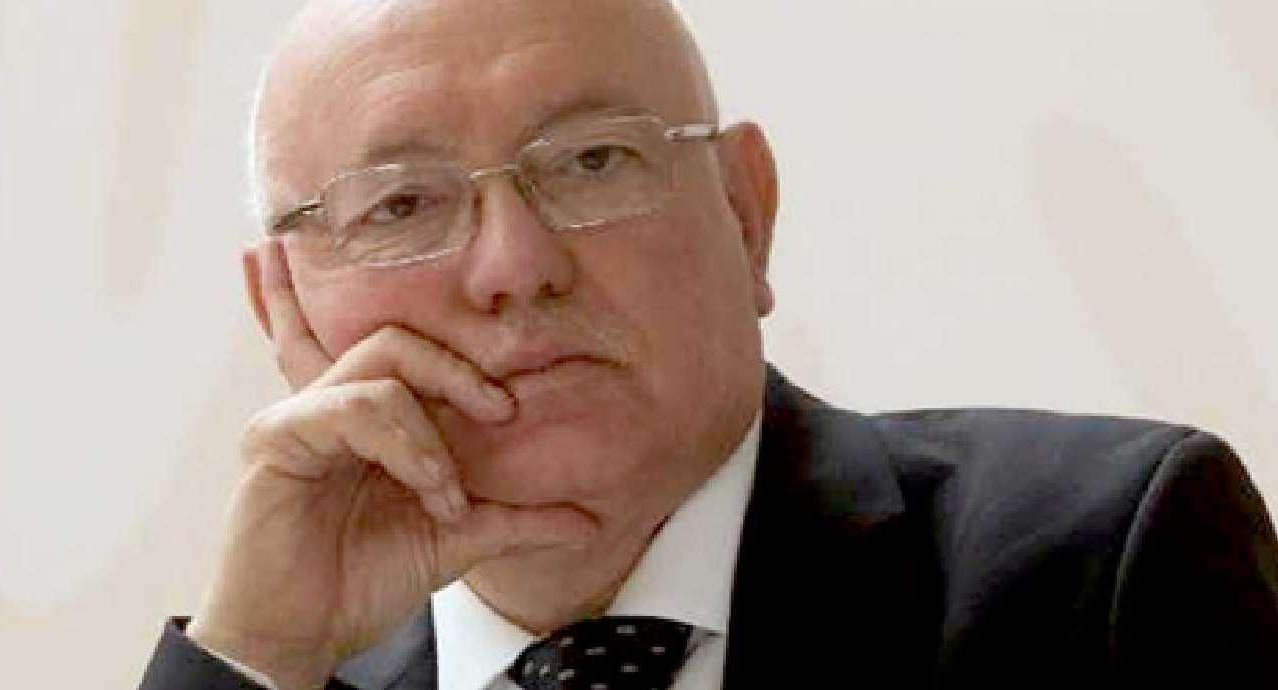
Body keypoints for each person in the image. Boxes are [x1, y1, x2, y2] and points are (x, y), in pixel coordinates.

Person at [139, 1, 1278, 688]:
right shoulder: (285, 676)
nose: (515, 265)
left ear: (746, 212)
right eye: (401, 205)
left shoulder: (1099, 565)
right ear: (283, 308)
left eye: (593, 161)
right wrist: (252, 657)